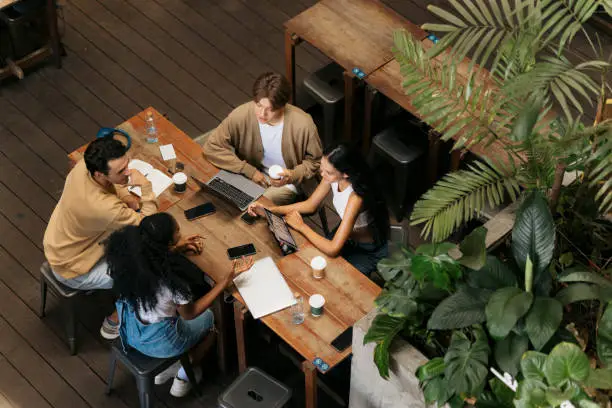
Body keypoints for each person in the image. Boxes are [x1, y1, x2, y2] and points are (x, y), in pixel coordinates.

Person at [106, 213, 253, 397]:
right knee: (212, 318)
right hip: (162, 342)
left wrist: (174, 249)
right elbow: (190, 314)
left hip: (132, 333)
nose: (180, 232)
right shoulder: (172, 285)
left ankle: (166, 368)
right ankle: (184, 374)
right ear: (167, 241)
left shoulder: (132, 263)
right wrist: (224, 282)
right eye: (177, 231)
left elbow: (153, 260)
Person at [43, 136, 158, 340]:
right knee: (147, 270)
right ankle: (115, 320)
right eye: (121, 171)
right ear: (99, 173)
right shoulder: (104, 208)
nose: (128, 172)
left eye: (127, 165)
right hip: (73, 268)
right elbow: (148, 224)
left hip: (60, 244)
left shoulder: (83, 167)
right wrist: (146, 188)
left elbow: (112, 186)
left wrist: (126, 196)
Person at [248, 144, 389, 277]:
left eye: (328, 172)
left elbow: (333, 248)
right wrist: (272, 209)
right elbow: (310, 205)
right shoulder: (332, 176)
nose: (322, 174)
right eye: (322, 167)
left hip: (366, 250)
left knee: (331, 277)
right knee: (310, 262)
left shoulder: (355, 198)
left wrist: (301, 226)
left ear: (345, 174)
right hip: (346, 237)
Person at [203, 72, 323, 205]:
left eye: (270, 109)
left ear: (282, 106)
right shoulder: (242, 114)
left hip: (288, 183)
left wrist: (291, 175)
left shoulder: (303, 125)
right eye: (258, 105)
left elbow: (315, 162)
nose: (261, 114)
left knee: (254, 206)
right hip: (250, 175)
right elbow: (212, 146)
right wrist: (248, 171)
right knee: (220, 194)